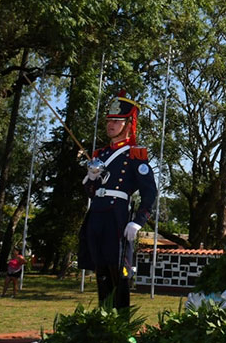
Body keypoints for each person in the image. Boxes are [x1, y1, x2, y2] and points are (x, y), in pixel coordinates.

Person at [78, 91, 156, 309]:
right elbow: (91, 191)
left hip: (117, 216)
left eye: (116, 121)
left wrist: (138, 221)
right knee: (100, 270)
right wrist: (91, 177)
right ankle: (104, 320)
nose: (110, 125)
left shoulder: (134, 154)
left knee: (119, 272)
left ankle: (120, 326)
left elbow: (150, 192)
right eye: (109, 121)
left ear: (128, 123)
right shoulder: (100, 155)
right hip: (97, 214)